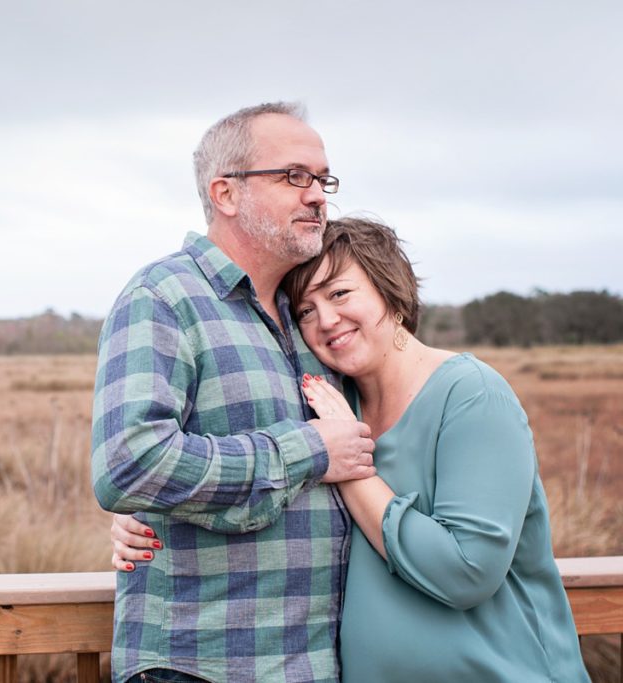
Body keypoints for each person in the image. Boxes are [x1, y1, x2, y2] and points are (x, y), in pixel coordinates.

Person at [113, 217, 590, 681]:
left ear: (390, 289)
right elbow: (249, 476)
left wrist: (351, 465)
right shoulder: (333, 405)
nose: (326, 320)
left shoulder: (471, 394)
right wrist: (150, 513)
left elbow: (466, 572)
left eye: (340, 293)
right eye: (305, 311)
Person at [91, 102, 377, 683]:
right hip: (203, 665)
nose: (318, 195)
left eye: (323, 179)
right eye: (295, 176)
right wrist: (308, 451)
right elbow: (129, 464)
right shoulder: (163, 297)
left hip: (315, 664)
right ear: (225, 193)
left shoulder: (312, 316)